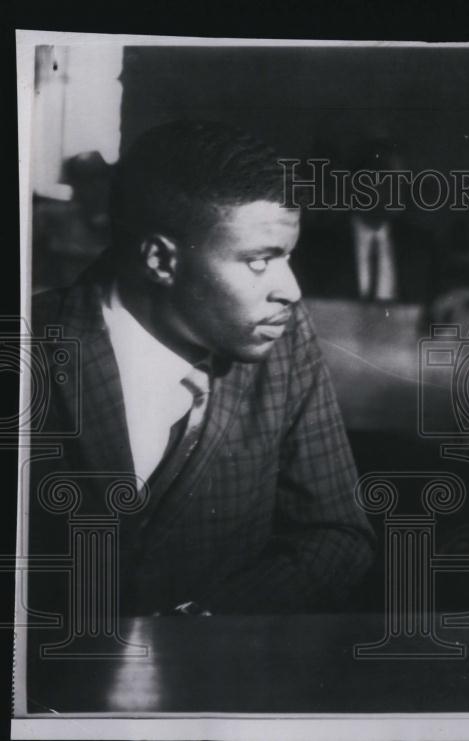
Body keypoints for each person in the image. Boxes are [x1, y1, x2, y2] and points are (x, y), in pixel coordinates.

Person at [29, 120, 375, 617]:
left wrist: (207, 623)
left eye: (289, 256)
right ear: (160, 260)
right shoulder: (32, 352)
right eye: (260, 261)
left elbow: (337, 533)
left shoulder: (284, 338)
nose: (291, 290)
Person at [292, 137, 439, 305]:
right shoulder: (318, 245)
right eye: (387, 181)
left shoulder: (420, 245)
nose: (397, 192)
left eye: (401, 181)